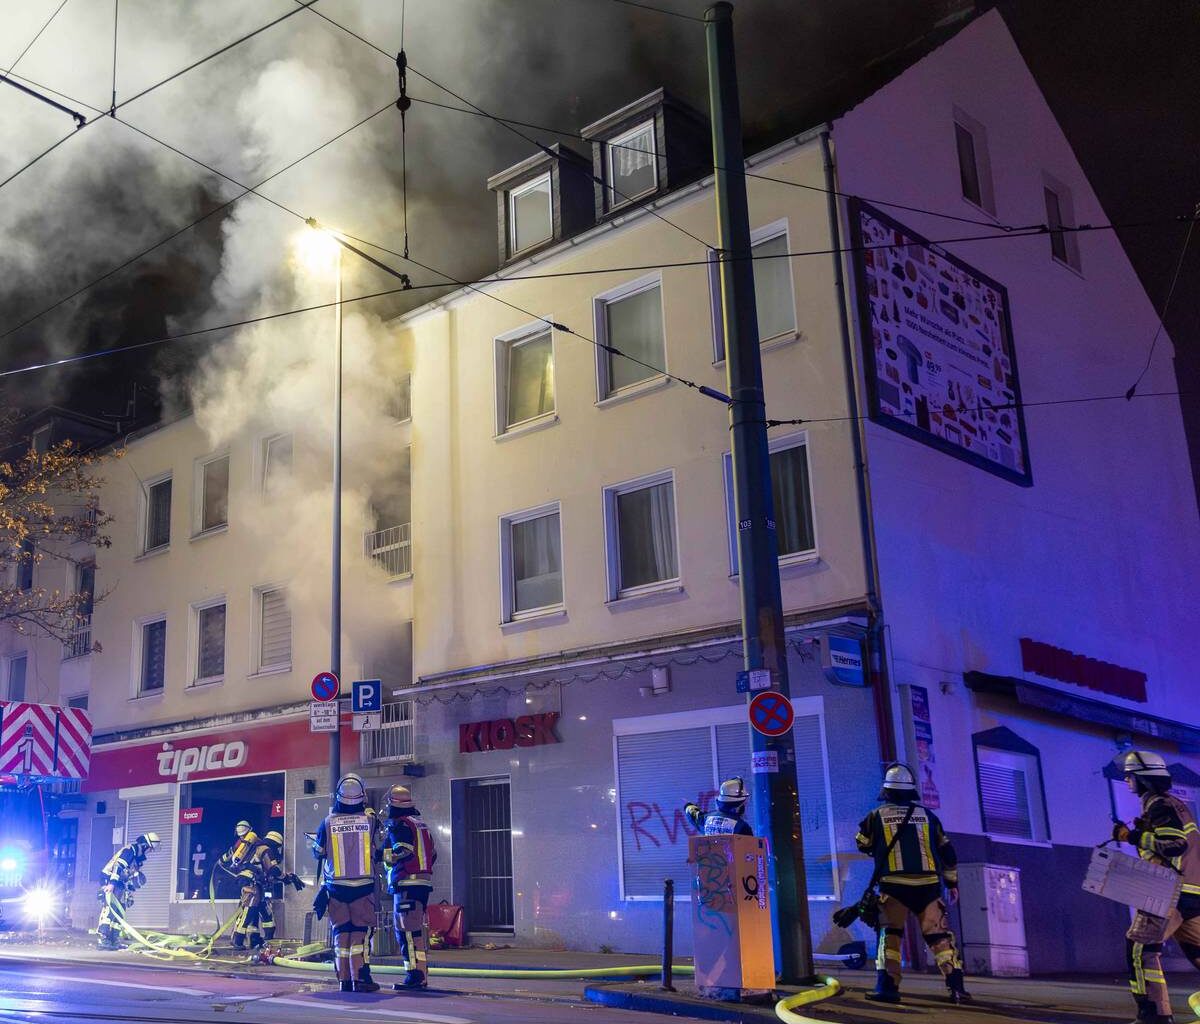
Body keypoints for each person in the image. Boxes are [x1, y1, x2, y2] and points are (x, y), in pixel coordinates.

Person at [855, 763, 970, 1005]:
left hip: (893, 888)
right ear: (911, 791)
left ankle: (888, 988)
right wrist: (951, 883)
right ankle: (956, 987)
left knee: (890, 936)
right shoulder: (928, 817)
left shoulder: (875, 816)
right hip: (928, 887)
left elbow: (862, 843)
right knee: (939, 937)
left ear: (887, 791)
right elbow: (947, 851)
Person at [1111, 750, 1200, 1024]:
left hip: (1167, 891)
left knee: (1140, 948)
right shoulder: (1177, 805)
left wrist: (1132, 836)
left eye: (1130, 776)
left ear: (1144, 779)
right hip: (1193, 892)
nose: (1127, 781)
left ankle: (1154, 1016)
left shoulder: (1159, 805)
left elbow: (1176, 844)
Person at [313, 773, 382, 993]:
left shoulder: (327, 822)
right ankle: (360, 978)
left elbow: (318, 852)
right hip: (363, 888)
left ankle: (344, 980)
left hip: (335, 889)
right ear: (362, 795)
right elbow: (380, 851)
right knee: (360, 934)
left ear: (338, 795)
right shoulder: (371, 821)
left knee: (341, 933)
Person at [382, 784, 438, 990]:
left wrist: (383, 856)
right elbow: (433, 855)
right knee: (414, 932)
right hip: (423, 884)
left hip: (406, 884)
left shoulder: (400, 826)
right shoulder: (421, 825)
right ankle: (420, 974)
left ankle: (415, 976)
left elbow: (402, 851)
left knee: (405, 932)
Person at [232, 829, 304, 951]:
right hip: (252, 884)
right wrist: (285, 877)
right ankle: (237, 941)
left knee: (265, 913)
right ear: (275, 844)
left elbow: (267, 872)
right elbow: (273, 869)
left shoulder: (257, 848)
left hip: (256, 884)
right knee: (248, 911)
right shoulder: (266, 850)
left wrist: (288, 878)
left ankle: (266, 941)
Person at [96, 832, 159, 949]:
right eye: (150, 848)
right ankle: (103, 938)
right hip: (110, 879)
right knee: (111, 908)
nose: (150, 851)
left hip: (120, 882)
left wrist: (129, 894)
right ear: (145, 845)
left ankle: (114, 939)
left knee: (121, 909)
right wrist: (111, 884)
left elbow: (128, 876)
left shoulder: (138, 858)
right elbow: (117, 867)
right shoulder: (130, 851)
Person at [684, 777, 754, 836]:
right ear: (738, 805)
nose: (746, 805)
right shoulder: (743, 828)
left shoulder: (705, 819)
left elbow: (691, 813)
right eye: (744, 803)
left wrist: (688, 805)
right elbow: (749, 850)